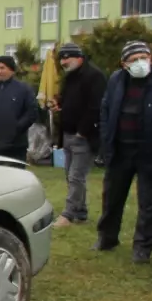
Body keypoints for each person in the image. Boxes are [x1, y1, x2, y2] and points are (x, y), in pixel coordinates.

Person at [94, 41, 152, 263]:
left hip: (149, 151)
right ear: (124, 63)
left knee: (148, 203)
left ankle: (142, 247)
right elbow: (106, 109)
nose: (140, 62)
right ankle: (106, 238)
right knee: (112, 198)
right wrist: (106, 139)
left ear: (150, 58)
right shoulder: (116, 80)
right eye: (134, 59)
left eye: (143, 57)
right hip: (120, 150)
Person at [51, 43, 107, 228]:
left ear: (79, 57)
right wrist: (59, 104)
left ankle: (67, 215)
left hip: (83, 136)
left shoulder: (94, 76)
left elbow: (96, 107)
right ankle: (80, 212)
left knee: (76, 176)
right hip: (67, 134)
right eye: (61, 58)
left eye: (67, 57)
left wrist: (82, 131)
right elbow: (69, 100)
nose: (63, 62)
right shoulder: (69, 78)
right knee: (70, 175)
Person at [0, 55, 38, 162]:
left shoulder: (23, 90)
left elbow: (31, 112)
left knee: (16, 175)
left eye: (2, 68)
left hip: (16, 145)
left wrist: (17, 127)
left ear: (12, 70)